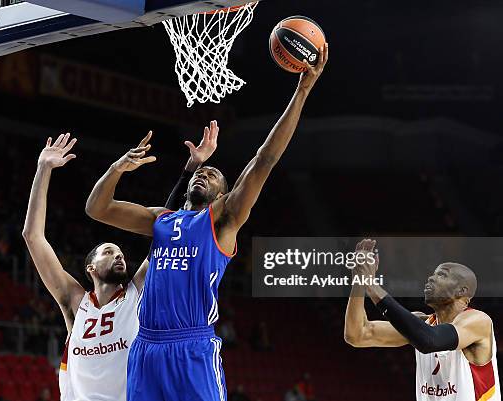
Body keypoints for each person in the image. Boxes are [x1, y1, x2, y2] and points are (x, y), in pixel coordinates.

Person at [85, 44, 328, 401]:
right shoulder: (162, 220)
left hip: (192, 348)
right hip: (146, 347)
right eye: (202, 172)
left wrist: (302, 90)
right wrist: (117, 168)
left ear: (222, 196)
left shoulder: (223, 221)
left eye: (214, 175)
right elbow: (97, 209)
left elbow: (265, 159)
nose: (205, 174)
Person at [23, 132, 217, 401]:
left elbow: (168, 230)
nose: (119, 256)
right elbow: (32, 236)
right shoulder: (75, 303)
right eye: (108, 251)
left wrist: (190, 170)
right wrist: (43, 169)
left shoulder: (135, 296)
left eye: (120, 253)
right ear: (90, 267)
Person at [344, 239, 500, 401]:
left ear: (462, 291)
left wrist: (371, 285)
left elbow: (429, 340)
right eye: (433, 273)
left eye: (441, 274)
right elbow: (358, 334)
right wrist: (359, 281)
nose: (431, 278)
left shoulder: (478, 321)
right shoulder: (421, 324)